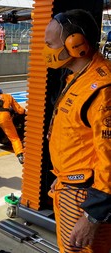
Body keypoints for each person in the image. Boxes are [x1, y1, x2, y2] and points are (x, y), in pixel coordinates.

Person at [43, 9, 111, 252]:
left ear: (76, 44)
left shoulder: (102, 89)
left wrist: (93, 215)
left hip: (85, 198)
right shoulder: (77, 77)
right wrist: (62, 178)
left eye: (49, 44)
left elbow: (109, 159)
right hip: (69, 187)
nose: (45, 50)